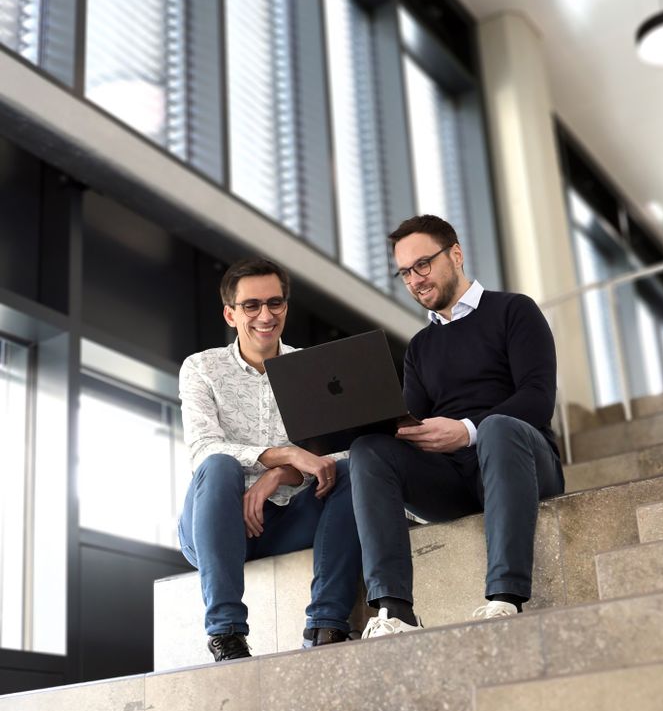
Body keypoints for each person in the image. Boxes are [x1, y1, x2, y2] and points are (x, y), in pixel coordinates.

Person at [349, 214, 565, 637]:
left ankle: (505, 597)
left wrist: (467, 429)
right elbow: (412, 422)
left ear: (456, 254)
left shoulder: (514, 311)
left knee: (499, 427)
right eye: (405, 273)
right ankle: (394, 610)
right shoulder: (419, 347)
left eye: (423, 265)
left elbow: (538, 399)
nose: (415, 280)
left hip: (522, 461)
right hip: (455, 481)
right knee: (368, 451)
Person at [178, 257, 362, 661]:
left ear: (286, 308)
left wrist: (278, 473)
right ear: (230, 313)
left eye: (275, 303)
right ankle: (226, 634)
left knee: (354, 469)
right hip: (213, 521)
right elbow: (203, 448)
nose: (266, 315)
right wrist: (279, 452)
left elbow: (341, 449)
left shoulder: (311, 370)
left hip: (285, 521)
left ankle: (326, 624)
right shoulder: (201, 368)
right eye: (251, 306)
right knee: (219, 465)